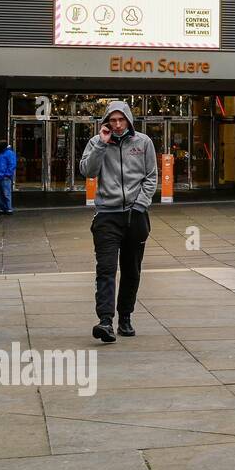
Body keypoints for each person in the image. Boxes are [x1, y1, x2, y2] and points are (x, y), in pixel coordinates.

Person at [78, 101, 158, 343]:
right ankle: (105, 321)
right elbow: (88, 171)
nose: (117, 124)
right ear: (106, 122)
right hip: (107, 216)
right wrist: (102, 144)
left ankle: (125, 317)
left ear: (128, 120)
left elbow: (151, 176)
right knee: (106, 269)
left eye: (121, 120)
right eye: (112, 120)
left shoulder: (143, 142)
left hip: (136, 215)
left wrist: (140, 204)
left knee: (131, 270)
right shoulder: (96, 142)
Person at [0, 140, 15, 215]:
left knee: (6, 194)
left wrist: (7, 174)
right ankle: (4, 209)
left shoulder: (9, 153)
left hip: (4, 177)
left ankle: (9, 209)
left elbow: (12, 165)